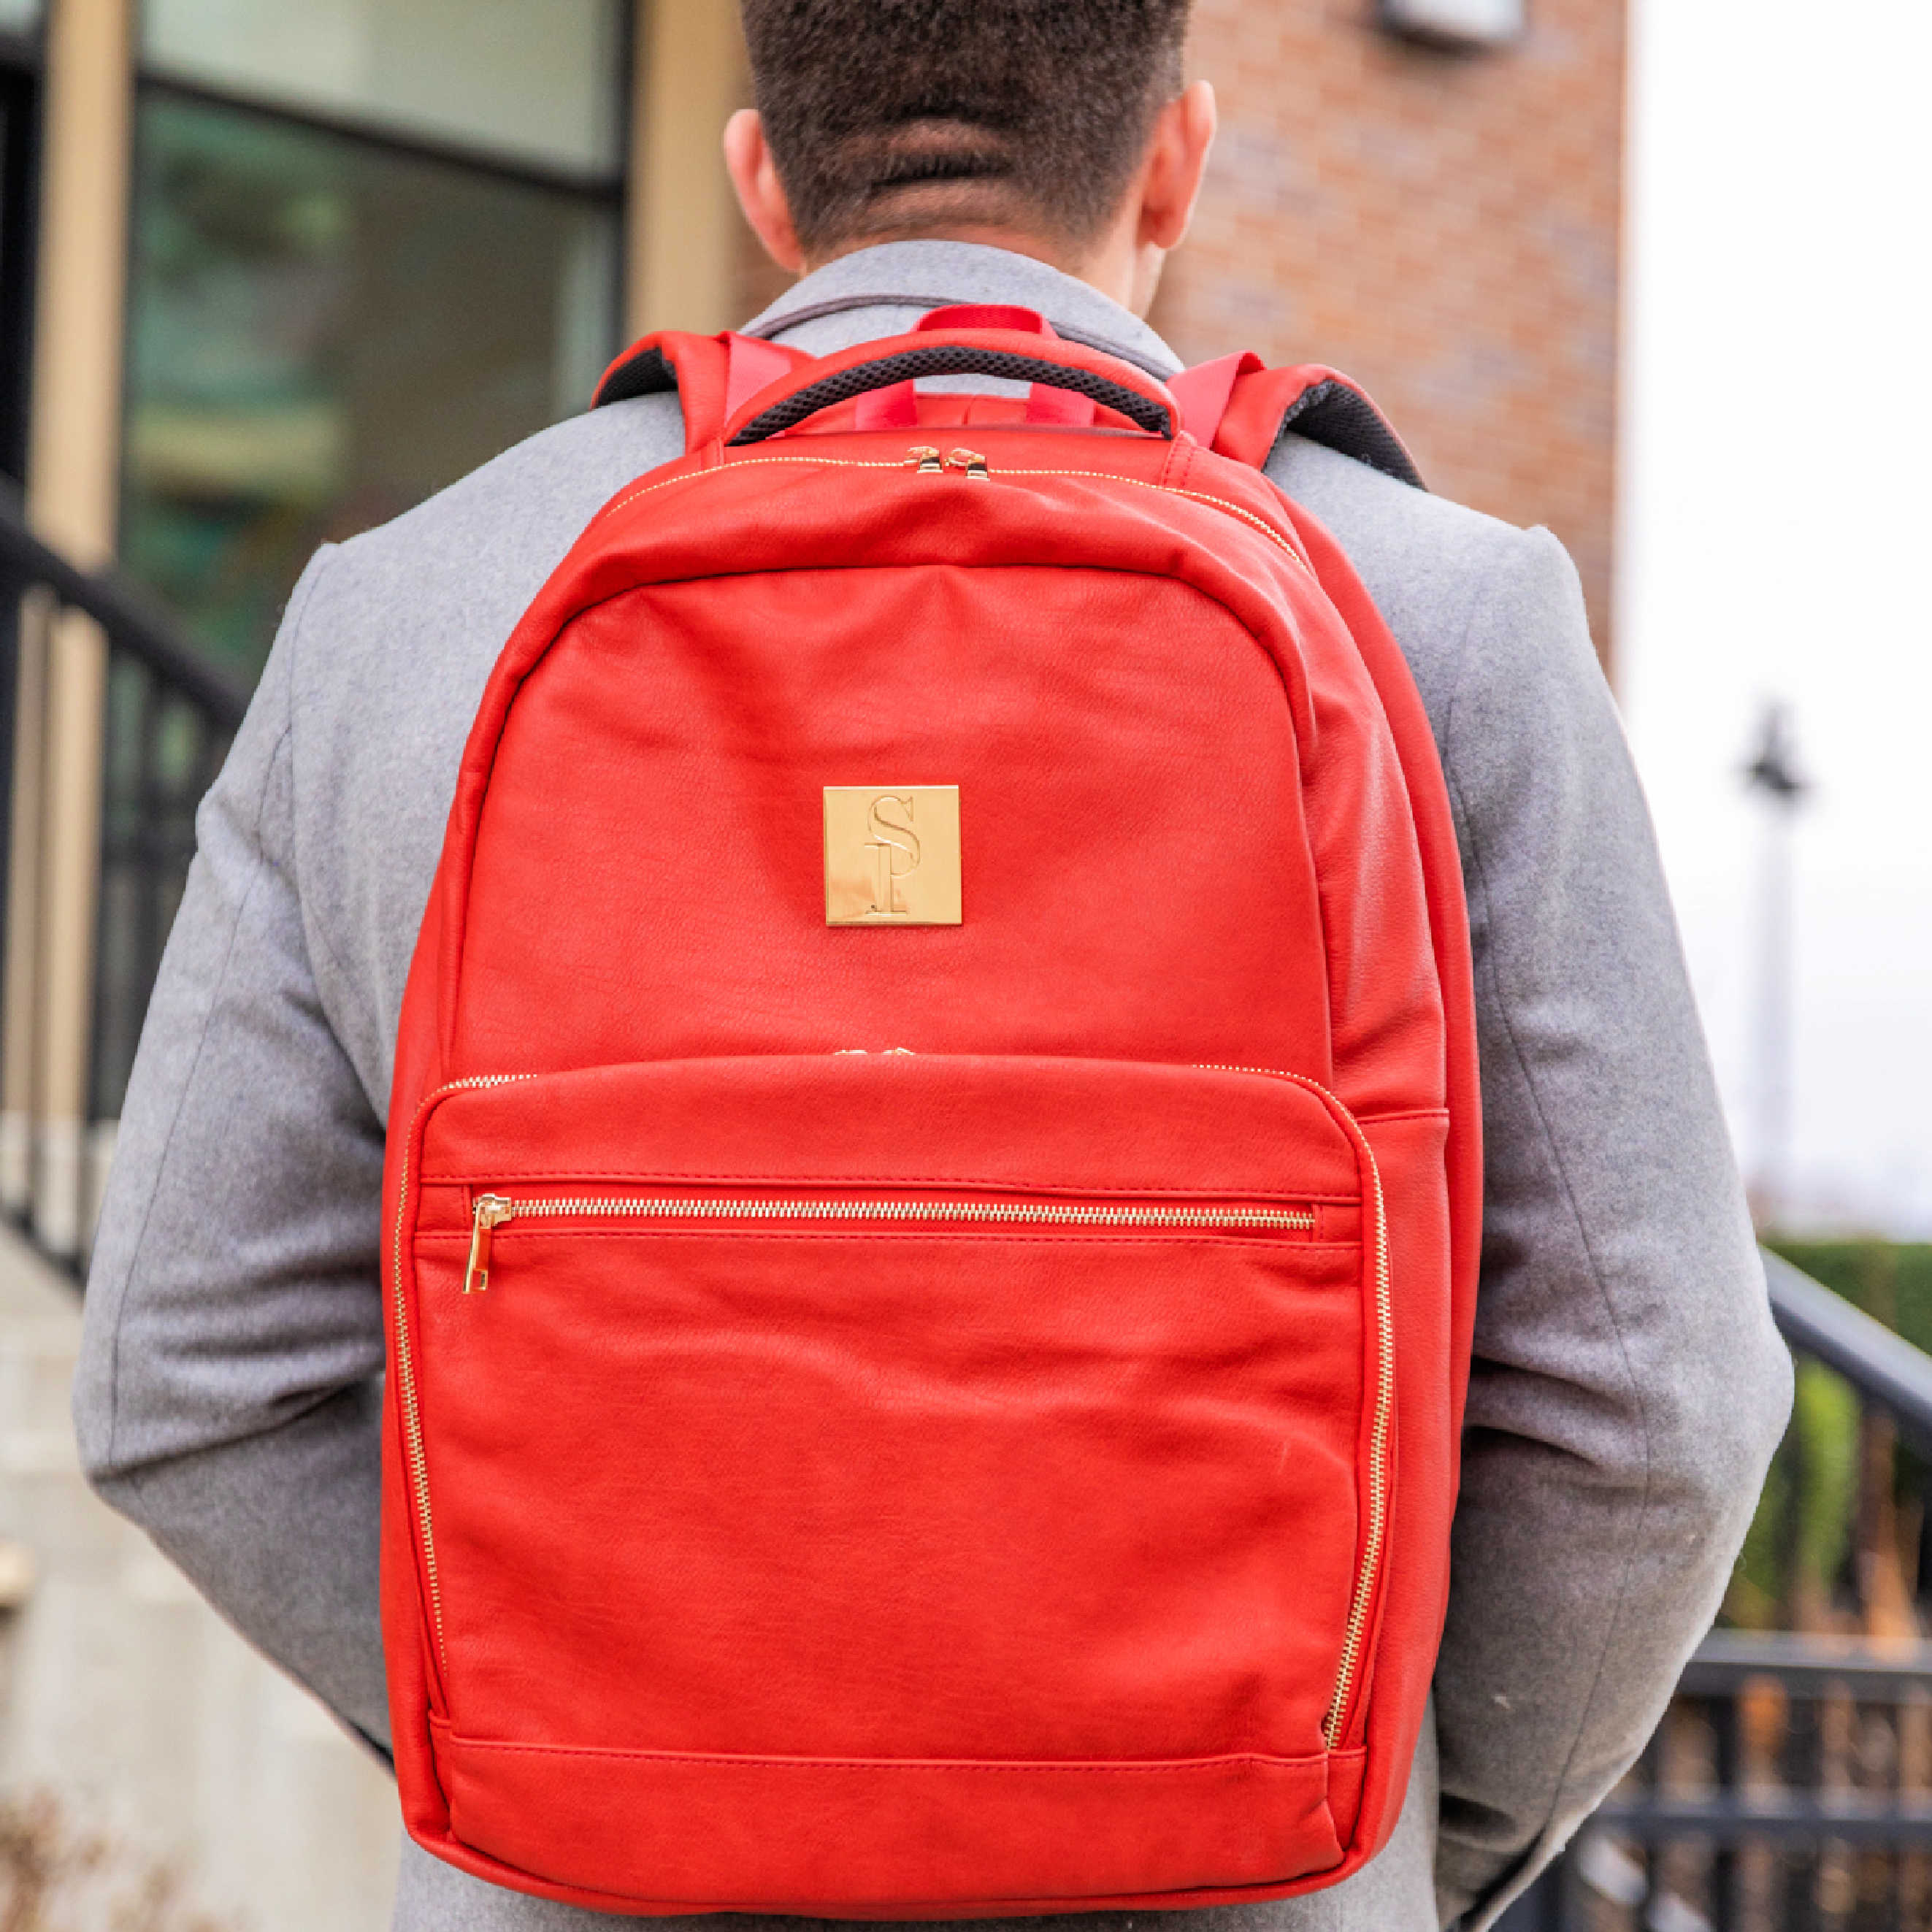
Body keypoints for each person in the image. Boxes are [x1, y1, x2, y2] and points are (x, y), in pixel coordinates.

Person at [73, 3, 1793, 1927]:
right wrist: (1375, 1834)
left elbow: (185, 1378)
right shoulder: (1453, 616)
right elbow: (1661, 1423)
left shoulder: (400, 617)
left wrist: (577, 1750)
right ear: (1176, 159)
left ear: (763, 185)